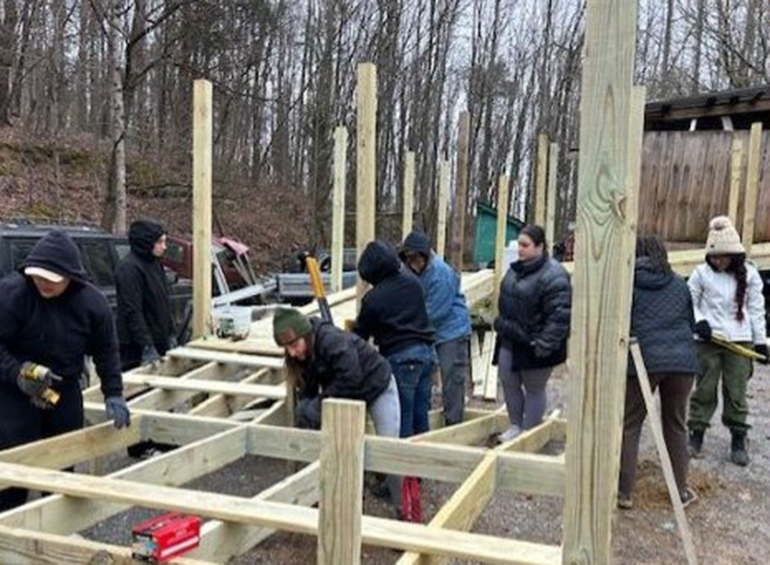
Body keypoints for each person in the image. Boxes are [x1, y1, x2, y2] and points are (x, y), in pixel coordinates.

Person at [0, 230, 130, 510]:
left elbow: (106, 351)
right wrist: (17, 373)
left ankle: (55, 525)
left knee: (62, 461)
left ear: (70, 276)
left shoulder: (92, 304)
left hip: (64, 389)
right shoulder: (12, 294)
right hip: (14, 393)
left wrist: (114, 393)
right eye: (38, 277)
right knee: (15, 465)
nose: (43, 284)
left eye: (51, 280)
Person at [272, 307, 401, 509]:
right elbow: (308, 388)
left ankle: (403, 507)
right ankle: (337, 498)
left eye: (294, 345)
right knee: (340, 445)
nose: (292, 353)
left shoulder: (332, 341)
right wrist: (307, 415)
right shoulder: (302, 354)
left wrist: (320, 404)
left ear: (305, 334)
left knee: (389, 449)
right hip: (348, 392)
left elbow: (351, 379)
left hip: (377, 385)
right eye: (287, 348)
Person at [618, 237, 699, 510]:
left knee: (630, 424)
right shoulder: (679, 283)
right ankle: (680, 491)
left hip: (645, 360)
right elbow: (690, 322)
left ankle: (623, 492)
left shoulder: (628, 283)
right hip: (682, 363)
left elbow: (622, 325)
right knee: (676, 426)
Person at [687, 216, 768, 466]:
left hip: (739, 341)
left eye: (724, 256)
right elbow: (689, 301)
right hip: (708, 339)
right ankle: (696, 433)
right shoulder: (700, 273)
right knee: (705, 388)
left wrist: (760, 341)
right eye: (715, 256)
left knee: (736, 391)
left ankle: (738, 438)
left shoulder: (750, 275)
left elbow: (756, 309)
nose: (719, 261)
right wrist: (699, 321)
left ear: (734, 254)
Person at [493, 225, 571, 441]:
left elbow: (559, 316)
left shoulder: (555, 275)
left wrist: (543, 344)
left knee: (534, 388)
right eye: (519, 244)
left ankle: (528, 434)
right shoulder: (515, 269)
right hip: (511, 339)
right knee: (508, 381)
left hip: (535, 344)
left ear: (540, 247)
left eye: (525, 245)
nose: (520, 249)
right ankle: (516, 426)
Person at [354, 239, 435, 439]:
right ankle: (422, 468)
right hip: (427, 355)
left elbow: (360, 336)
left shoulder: (373, 299)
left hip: (402, 358)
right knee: (421, 418)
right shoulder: (413, 282)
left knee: (402, 421)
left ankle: (403, 469)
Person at [399, 231, 472, 427]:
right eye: (409, 259)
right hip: (428, 331)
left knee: (452, 380)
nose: (412, 263)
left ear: (424, 256)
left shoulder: (440, 275)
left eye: (415, 259)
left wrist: (403, 326)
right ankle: (428, 419)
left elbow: (434, 313)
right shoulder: (411, 268)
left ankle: (453, 425)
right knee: (425, 377)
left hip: (451, 332)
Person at [115, 219, 177, 371]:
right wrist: (146, 345)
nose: (164, 247)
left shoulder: (155, 264)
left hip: (158, 340)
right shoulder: (129, 269)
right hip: (134, 348)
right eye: (160, 242)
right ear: (147, 242)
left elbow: (163, 303)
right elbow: (132, 311)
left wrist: (171, 333)